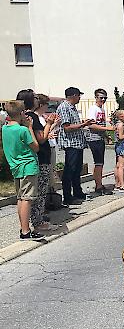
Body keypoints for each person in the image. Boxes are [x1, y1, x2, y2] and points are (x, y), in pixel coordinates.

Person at [2, 100, 46, 241]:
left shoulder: (5, 128)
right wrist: (30, 128)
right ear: (21, 113)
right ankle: (26, 230)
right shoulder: (23, 130)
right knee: (27, 199)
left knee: (21, 198)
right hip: (28, 166)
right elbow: (35, 146)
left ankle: (23, 227)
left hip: (15, 166)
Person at [20, 92, 59, 231]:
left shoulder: (23, 117)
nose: (38, 100)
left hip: (30, 158)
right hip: (41, 157)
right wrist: (49, 123)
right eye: (35, 98)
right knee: (40, 191)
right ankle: (38, 221)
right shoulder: (33, 117)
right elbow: (41, 138)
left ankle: (35, 219)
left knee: (30, 193)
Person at [56, 87, 94, 206]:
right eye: (78, 95)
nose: (79, 98)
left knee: (77, 169)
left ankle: (77, 191)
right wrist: (83, 124)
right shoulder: (64, 107)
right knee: (70, 169)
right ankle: (67, 196)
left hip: (77, 143)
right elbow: (67, 127)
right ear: (73, 95)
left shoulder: (72, 107)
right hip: (71, 143)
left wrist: (82, 123)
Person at [86, 88, 114, 196]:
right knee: (98, 163)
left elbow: (101, 125)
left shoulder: (102, 110)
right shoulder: (93, 109)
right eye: (101, 98)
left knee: (100, 163)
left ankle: (100, 184)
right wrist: (108, 129)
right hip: (94, 138)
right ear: (96, 98)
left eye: (105, 98)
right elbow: (91, 125)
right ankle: (98, 186)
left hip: (100, 138)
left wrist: (106, 136)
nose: (103, 100)